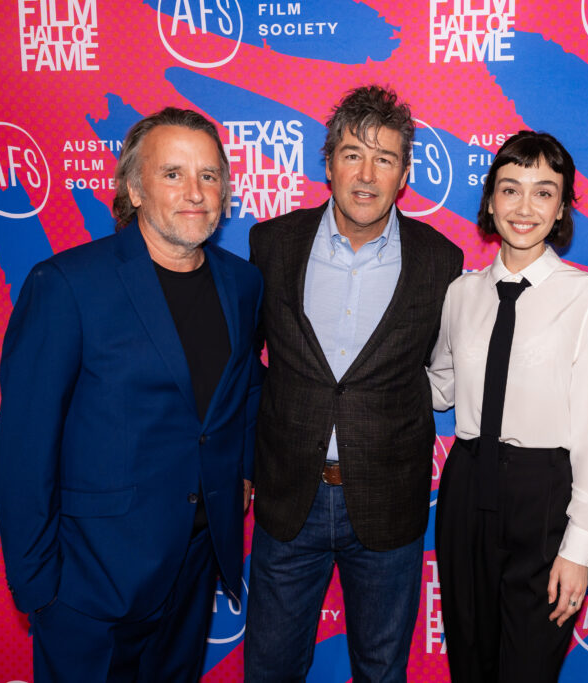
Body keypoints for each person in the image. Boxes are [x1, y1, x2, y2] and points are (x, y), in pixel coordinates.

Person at [0, 107, 265, 682]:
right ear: (135, 189)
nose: (195, 192)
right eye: (173, 174)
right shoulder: (66, 284)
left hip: (193, 569)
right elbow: (25, 447)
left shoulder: (241, 283)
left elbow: (242, 386)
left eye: (209, 175)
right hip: (90, 578)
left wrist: (239, 471)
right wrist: (40, 586)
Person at [245, 85, 463, 682]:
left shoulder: (441, 262)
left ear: (405, 172)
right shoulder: (271, 245)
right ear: (328, 163)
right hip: (289, 498)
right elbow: (245, 370)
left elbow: (443, 375)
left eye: (384, 158)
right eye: (351, 154)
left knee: (381, 671)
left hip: (388, 505)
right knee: (269, 668)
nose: (366, 175)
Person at [427, 131, 588, 682]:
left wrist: (579, 548)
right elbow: (441, 384)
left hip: (543, 494)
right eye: (510, 189)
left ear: (561, 208)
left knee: (528, 669)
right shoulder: (462, 293)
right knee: (470, 661)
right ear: (489, 200)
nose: (524, 207)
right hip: (465, 486)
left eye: (543, 192)